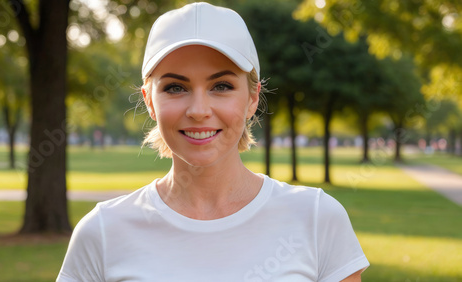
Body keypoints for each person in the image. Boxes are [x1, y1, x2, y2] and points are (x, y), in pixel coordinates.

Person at [57, 2, 369, 281]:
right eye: (175, 88)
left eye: (221, 85)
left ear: (252, 98)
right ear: (149, 102)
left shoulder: (317, 217)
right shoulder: (102, 231)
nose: (198, 111)